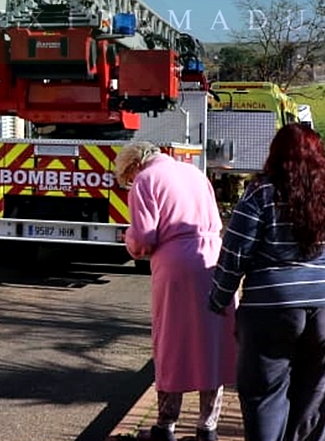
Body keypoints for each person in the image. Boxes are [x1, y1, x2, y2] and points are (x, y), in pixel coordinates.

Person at [209, 123, 325, 441]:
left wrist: (219, 298)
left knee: (264, 396)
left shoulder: (261, 192)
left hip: (270, 307)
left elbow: (236, 250)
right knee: (317, 398)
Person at [115, 142, 235, 441]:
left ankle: (165, 425)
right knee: (214, 343)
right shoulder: (194, 173)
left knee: (171, 342)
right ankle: (208, 427)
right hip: (212, 257)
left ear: (133, 166)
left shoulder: (145, 181)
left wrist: (128, 239)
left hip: (175, 265)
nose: (130, 181)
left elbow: (144, 236)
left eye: (127, 177)